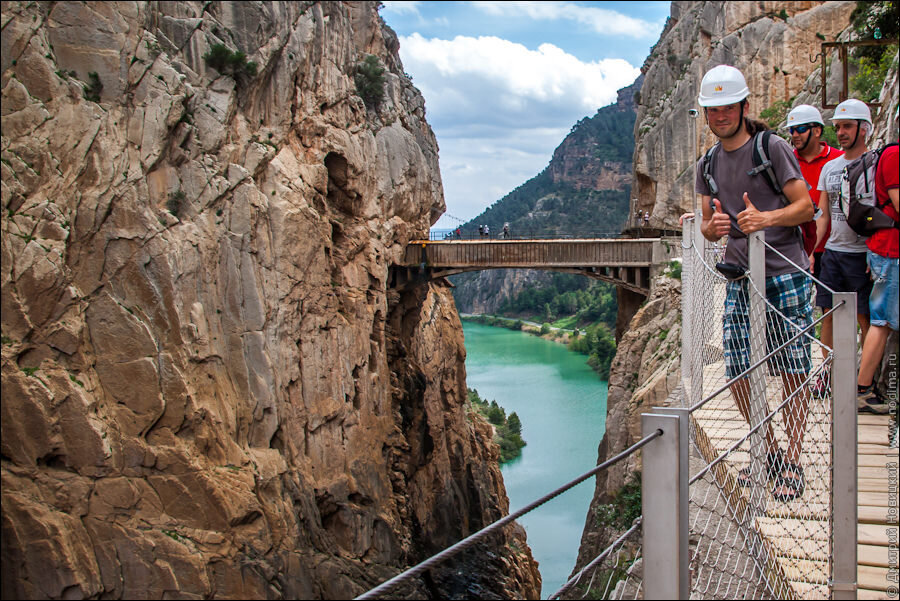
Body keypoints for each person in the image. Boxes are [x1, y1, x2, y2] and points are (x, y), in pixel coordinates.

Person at [696, 65, 815, 502]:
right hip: (741, 276)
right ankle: (772, 452)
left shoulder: (773, 148)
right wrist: (715, 228)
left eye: (729, 107)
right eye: (714, 109)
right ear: (707, 115)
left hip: (785, 273)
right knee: (738, 373)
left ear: (744, 107)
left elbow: (805, 207)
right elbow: (707, 227)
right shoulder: (707, 164)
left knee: (793, 370)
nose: (721, 115)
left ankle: (795, 461)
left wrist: (767, 218)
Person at [813, 98, 875, 396]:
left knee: (865, 316)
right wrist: (814, 249)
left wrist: (875, 251)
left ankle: (864, 375)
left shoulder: (875, 165)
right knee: (828, 314)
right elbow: (823, 213)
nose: (841, 133)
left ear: (864, 128)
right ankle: (830, 374)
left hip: (862, 253)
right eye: (837, 127)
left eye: (847, 126)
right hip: (833, 253)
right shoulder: (830, 168)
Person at [856, 141, 899, 414]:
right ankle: (862, 389)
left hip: (887, 249)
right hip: (890, 250)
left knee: (886, 321)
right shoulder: (895, 155)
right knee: (882, 321)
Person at [786, 104, 843, 278]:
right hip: (796, 248)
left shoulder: (838, 160)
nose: (795, 135)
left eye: (801, 129)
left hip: (833, 249)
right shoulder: (785, 161)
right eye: (792, 130)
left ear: (817, 131)